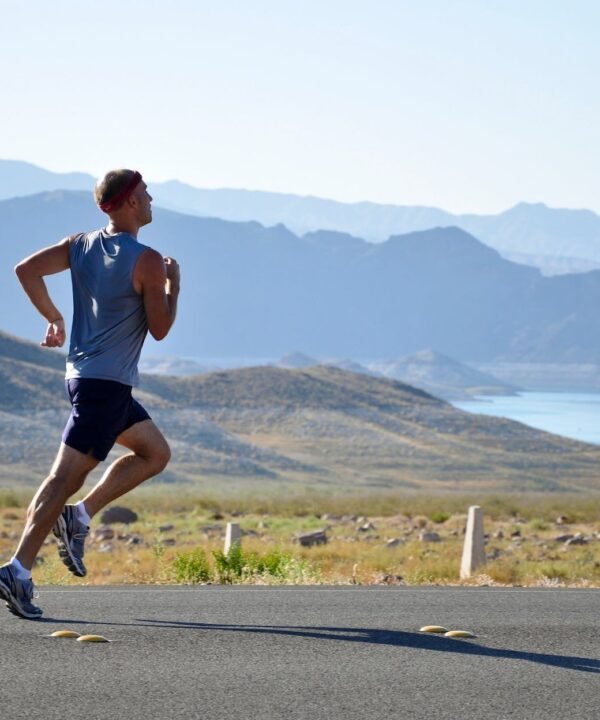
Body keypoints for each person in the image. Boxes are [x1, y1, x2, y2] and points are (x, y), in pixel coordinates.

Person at [0, 169, 180, 619]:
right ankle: (17, 571)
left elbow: (26, 269)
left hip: (88, 379)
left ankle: (78, 517)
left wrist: (53, 317)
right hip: (104, 386)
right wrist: (174, 287)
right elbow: (159, 329)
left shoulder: (80, 244)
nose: (151, 197)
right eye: (144, 192)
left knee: (154, 453)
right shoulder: (149, 260)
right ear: (130, 203)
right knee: (62, 479)